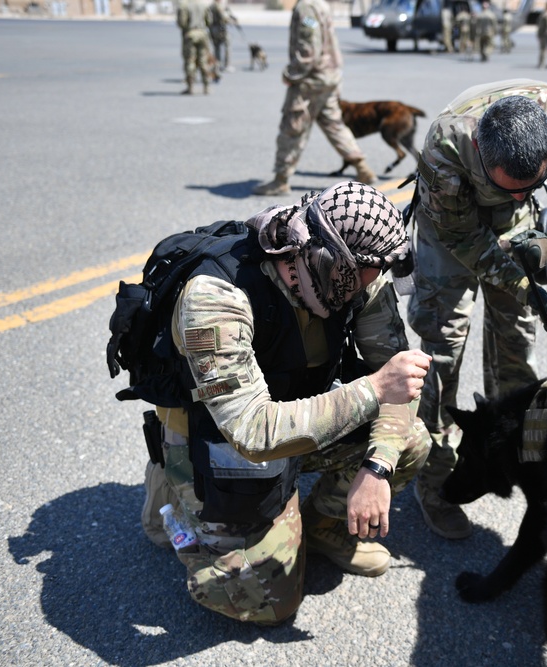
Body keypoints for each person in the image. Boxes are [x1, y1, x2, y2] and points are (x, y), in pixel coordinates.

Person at [140, 181, 434, 624]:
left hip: (298, 413)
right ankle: (171, 483)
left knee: (410, 439)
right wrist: (373, 389)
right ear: (327, 260)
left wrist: (377, 468)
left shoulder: (354, 276)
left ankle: (321, 525)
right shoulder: (215, 298)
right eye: (356, 284)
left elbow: (398, 380)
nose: (362, 294)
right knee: (269, 605)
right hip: (225, 437)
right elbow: (252, 432)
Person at [408, 80, 547, 539]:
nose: (524, 194)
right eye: (510, 186)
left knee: (517, 346)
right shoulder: (446, 147)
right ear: (481, 155)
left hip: (515, 230)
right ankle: (434, 482)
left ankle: (514, 461)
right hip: (450, 230)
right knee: (441, 354)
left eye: (533, 186)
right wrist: (528, 288)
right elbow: (465, 240)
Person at [253, 0, 376, 196]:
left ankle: (280, 180)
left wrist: (292, 73)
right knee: (333, 124)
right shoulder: (320, 3)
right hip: (328, 77)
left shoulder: (307, 7)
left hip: (311, 80)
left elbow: (308, 48)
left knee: (292, 127)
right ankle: (363, 168)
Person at [177, 0, 215, 96]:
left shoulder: (184, 5)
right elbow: (209, 21)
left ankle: (190, 87)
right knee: (203, 61)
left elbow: (182, 22)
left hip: (190, 34)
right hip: (202, 34)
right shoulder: (204, 5)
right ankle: (206, 87)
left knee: (190, 61)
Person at [208, 0, 238, 73]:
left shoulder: (211, 6)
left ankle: (217, 65)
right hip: (220, 29)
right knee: (227, 45)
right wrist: (231, 21)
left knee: (216, 47)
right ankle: (227, 65)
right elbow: (223, 18)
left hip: (213, 29)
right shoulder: (219, 6)